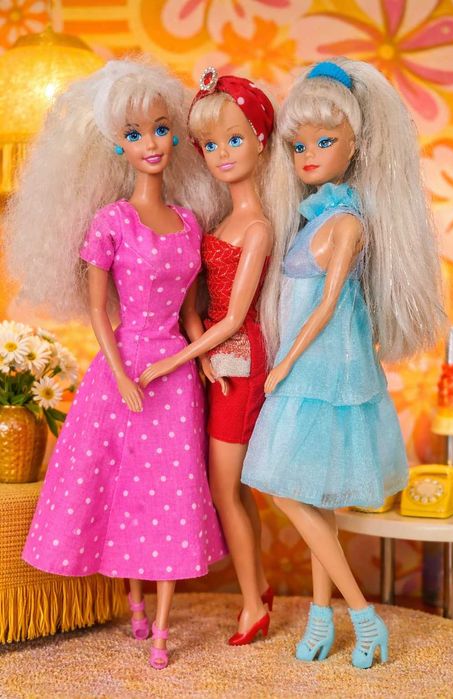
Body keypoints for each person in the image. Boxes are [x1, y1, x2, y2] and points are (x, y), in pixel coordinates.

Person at [5, 58, 226, 670]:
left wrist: (202, 357)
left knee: (173, 491)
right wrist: (123, 375)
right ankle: (133, 603)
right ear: (116, 145)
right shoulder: (112, 221)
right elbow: (100, 312)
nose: (150, 143)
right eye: (134, 134)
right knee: (124, 487)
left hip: (175, 376)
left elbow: (191, 311)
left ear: (174, 136)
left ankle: (162, 626)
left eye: (160, 129)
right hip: (122, 370)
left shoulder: (188, 221)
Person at [241, 58, 445, 668]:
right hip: (307, 373)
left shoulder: (349, 220)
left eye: (325, 142)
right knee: (310, 495)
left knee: (286, 490)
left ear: (355, 145)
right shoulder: (310, 219)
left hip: (325, 374)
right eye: (299, 145)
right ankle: (321, 617)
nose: (308, 155)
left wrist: (285, 363)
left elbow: (328, 306)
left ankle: (362, 614)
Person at [139, 68, 275, 645]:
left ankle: (252, 606)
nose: (222, 154)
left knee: (225, 490)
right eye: (211, 144)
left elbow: (235, 316)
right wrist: (196, 353)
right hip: (216, 360)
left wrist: (176, 359)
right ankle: (259, 586)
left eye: (234, 139)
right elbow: (199, 300)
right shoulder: (221, 220)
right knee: (234, 489)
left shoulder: (259, 227)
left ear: (261, 142)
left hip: (240, 362)